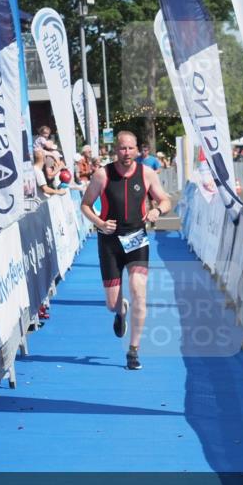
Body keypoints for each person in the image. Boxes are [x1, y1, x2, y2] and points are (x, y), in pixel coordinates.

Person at [81, 131, 171, 370]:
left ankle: (133, 350)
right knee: (112, 304)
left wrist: (157, 211)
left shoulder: (147, 174)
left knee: (139, 290)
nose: (127, 153)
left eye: (131, 148)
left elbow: (165, 200)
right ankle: (121, 311)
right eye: (122, 148)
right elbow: (85, 205)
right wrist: (100, 223)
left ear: (137, 149)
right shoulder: (103, 174)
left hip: (136, 239)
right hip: (109, 241)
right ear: (116, 150)